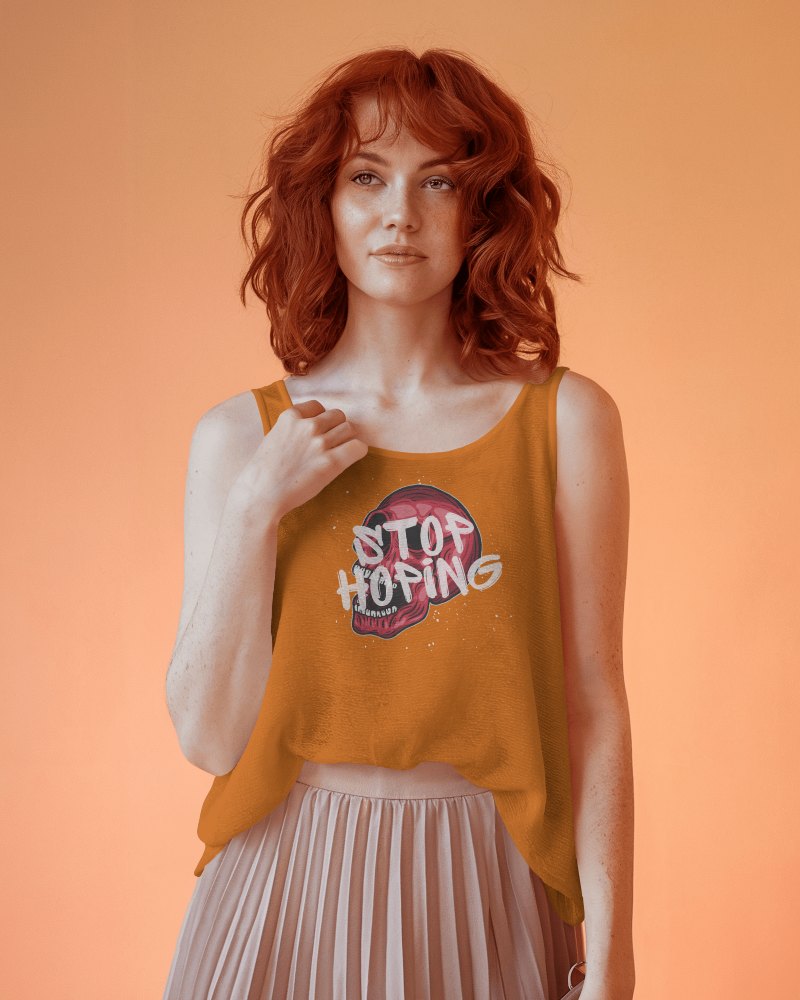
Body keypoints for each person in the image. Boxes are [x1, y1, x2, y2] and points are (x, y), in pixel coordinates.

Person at [163, 46, 635, 1000]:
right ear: (322, 206)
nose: (399, 216)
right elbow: (211, 739)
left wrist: (616, 955)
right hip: (281, 879)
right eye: (366, 178)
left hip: (487, 877)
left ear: (484, 211)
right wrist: (258, 504)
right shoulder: (241, 439)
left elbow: (595, 705)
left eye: (440, 182)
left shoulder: (566, 423)